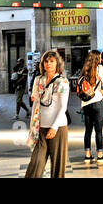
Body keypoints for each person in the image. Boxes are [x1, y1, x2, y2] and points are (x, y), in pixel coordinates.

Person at [25, 49, 69, 177]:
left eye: (52, 61)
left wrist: (54, 127)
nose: (48, 64)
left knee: (57, 166)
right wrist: (32, 127)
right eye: (46, 61)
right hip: (40, 127)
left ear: (57, 64)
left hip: (58, 127)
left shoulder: (62, 82)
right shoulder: (38, 80)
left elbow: (63, 107)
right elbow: (35, 104)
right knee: (36, 162)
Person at [77, 50, 103, 162]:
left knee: (88, 130)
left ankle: (88, 155)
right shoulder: (99, 68)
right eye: (99, 57)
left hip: (85, 103)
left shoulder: (84, 69)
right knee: (98, 130)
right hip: (97, 102)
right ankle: (100, 155)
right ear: (97, 58)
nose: (100, 59)